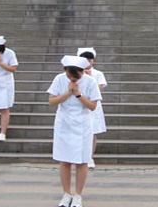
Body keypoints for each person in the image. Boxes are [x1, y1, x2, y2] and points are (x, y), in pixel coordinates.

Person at [47, 55, 100, 207]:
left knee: (82, 161)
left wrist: (78, 94)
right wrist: (67, 93)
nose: (71, 79)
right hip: (64, 122)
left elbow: (92, 106)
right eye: (69, 75)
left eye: (74, 76)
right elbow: (51, 101)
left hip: (82, 123)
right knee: (64, 160)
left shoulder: (90, 81)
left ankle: (78, 195)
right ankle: (66, 193)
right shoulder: (59, 79)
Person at [77, 47, 107, 169]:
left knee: (92, 132)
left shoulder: (98, 74)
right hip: (79, 105)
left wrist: (90, 78)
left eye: (90, 59)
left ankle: (90, 157)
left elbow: (96, 91)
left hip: (93, 106)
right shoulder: (75, 73)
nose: (88, 62)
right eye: (85, 59)